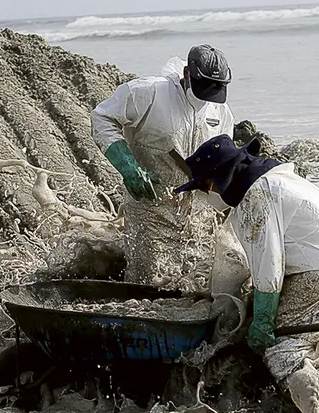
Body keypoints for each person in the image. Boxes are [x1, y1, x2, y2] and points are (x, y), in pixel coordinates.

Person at [175, 134, 319, 413]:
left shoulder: (255, 199)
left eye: (204, 187)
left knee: (278, 349)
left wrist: (262, 323)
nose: (206, 196)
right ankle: (303, 379)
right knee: (287, 330)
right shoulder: (274, 178)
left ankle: (310, 397)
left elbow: (269, 273)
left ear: (219, 180)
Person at [91, 44, 235, 287]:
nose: (208, 95)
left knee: (192, 282)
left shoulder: (221, 112)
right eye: (203, 87)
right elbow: (102, 117)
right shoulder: (149, 92)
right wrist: (128, 167)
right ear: (188, 73)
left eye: (216, 89)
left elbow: (224, 156)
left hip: (197, 213)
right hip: (150, 206)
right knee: (147, 281)